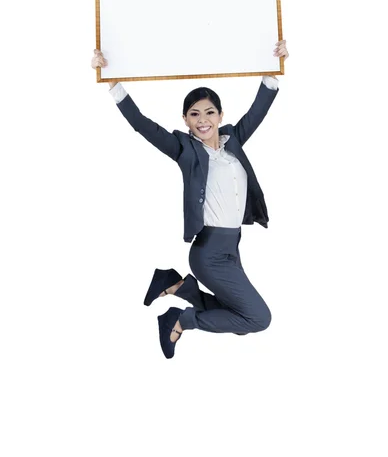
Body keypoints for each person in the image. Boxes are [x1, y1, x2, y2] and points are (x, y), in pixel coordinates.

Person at [91, 41, 289, 358]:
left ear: (221, 114)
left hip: (232, 248)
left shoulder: (233, 140)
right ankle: (181, 319)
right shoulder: (185, 150)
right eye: (194, 114)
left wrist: (273, 65)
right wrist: (112, 80)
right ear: (185, 119)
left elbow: (259, 109)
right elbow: (143, 125)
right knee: (258, 318)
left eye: (210, 112)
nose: (203, 119)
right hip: (209, 253)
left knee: (240, 320)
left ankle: (179, 287)